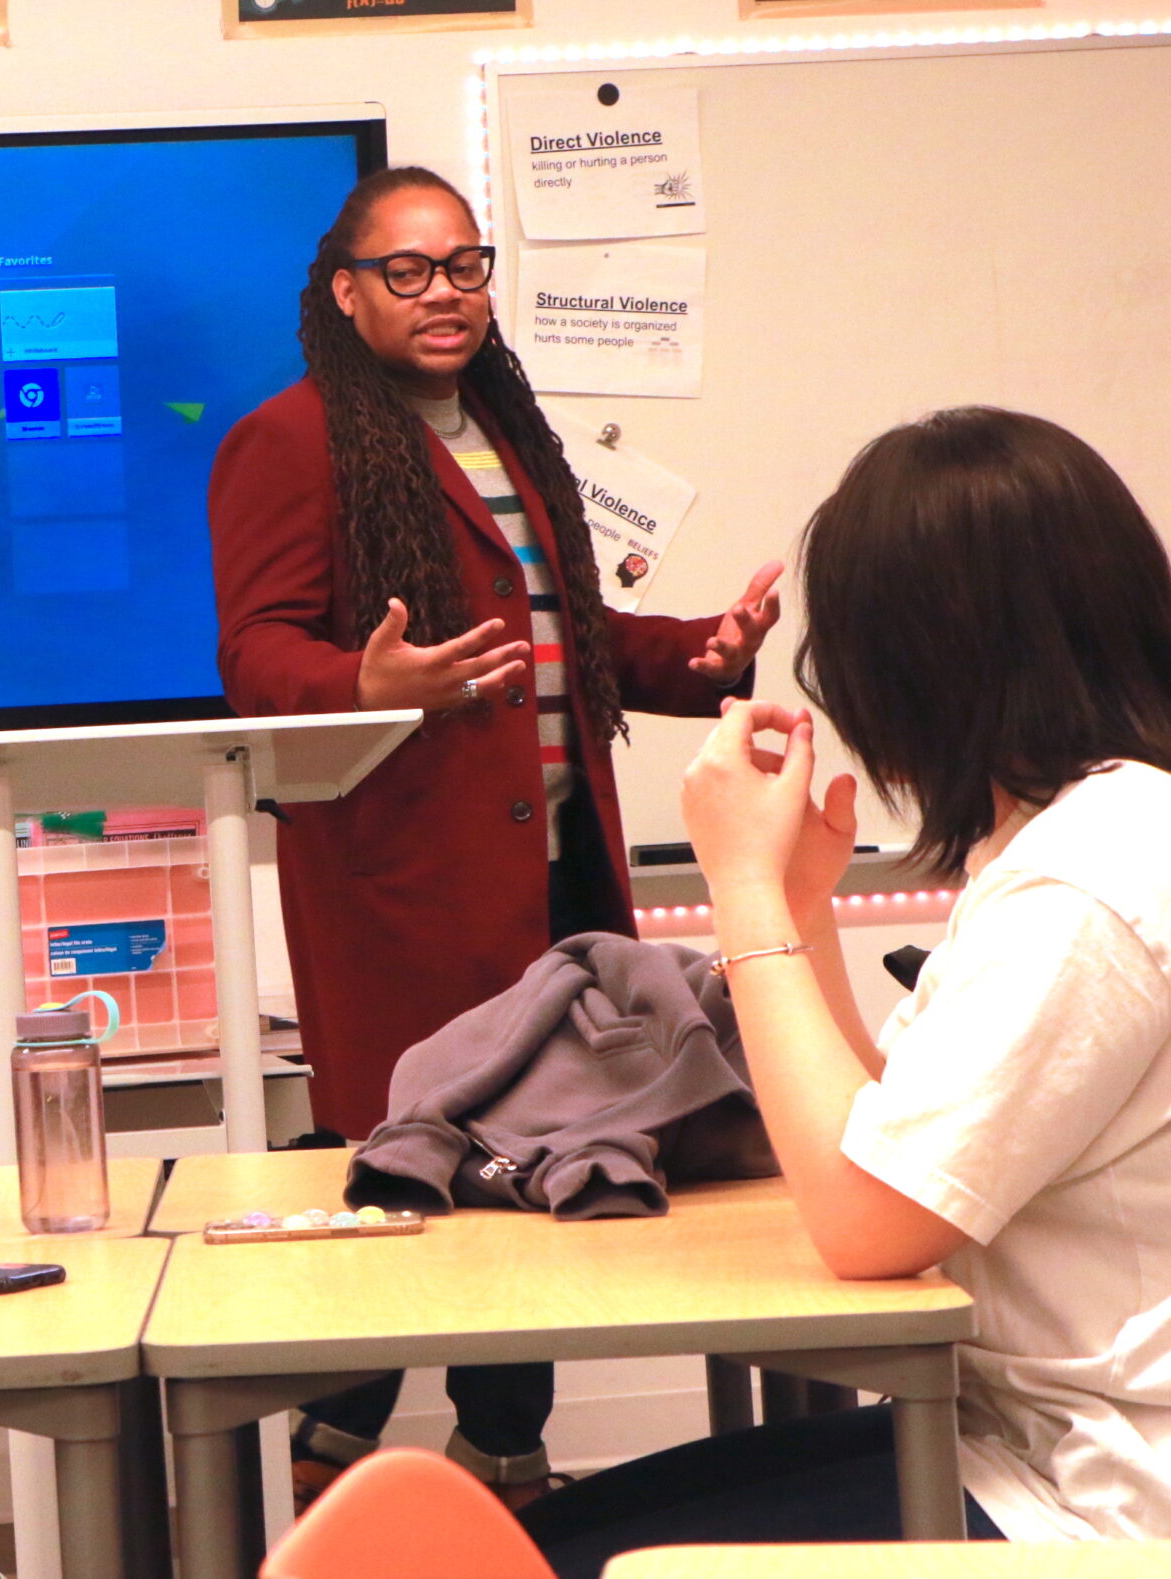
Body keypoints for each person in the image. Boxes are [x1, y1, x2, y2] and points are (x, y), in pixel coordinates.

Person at [519, 408, 1171, 1575]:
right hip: (1038, 1443)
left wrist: (739, 890)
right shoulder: (1123, 827)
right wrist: (799, 907)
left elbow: (864, 1227)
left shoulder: (1094, 881)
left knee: (549, 1559)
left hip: (1121, 1505)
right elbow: (893, 1131)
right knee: (533, 1537)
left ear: (912, 662)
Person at [208, 164, 783, 1505]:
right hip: (404, 900)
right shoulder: (288, 441)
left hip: (552, 894)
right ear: (346, 294)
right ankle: (341, 1484)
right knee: (412, 1197)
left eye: (464, 265)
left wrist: (704, 654)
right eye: (407, 270)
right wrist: (366, 683)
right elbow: (256, 653)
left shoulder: (510, 433)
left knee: (524, 1191)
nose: (445, 293)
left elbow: (562, 643)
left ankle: (493, 1475)